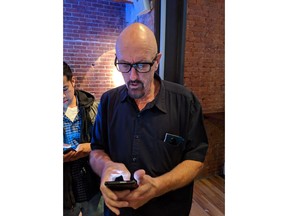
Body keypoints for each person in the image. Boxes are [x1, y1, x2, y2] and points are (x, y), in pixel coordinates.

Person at [89, 23, 208, 216]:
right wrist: (106, 166)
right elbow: (97, 150)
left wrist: (158, 186)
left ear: (157, 61)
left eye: (142, 65)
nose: (132, 76)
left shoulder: (186, 102)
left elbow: (195, 159)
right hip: (119, 211)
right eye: (125, 65)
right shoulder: (108, 101)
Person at [63, 61, 103, 216]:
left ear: (73, 81)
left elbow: (107, 142)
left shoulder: (94, 108)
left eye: (64, 89)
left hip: (92, 186)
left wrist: (90, 147)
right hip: (65, 191)